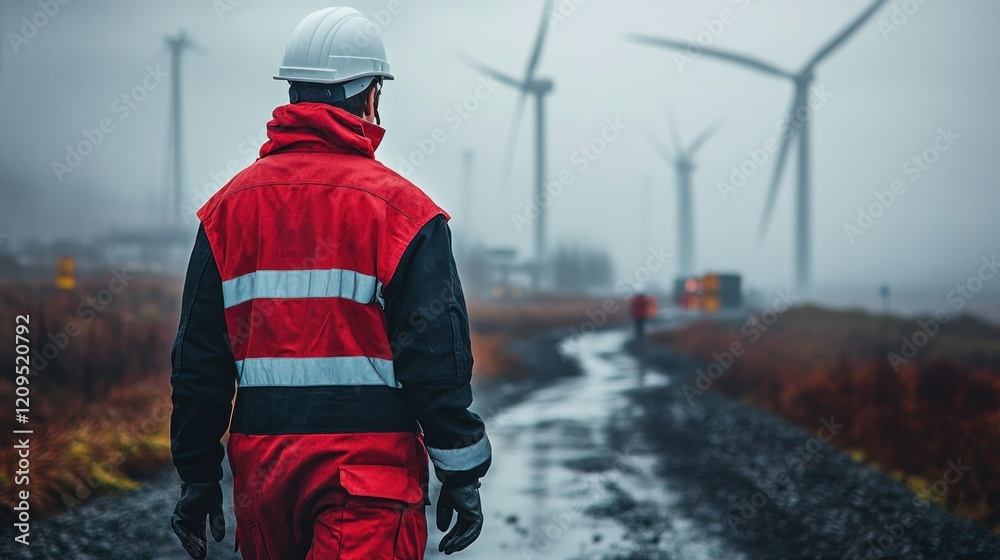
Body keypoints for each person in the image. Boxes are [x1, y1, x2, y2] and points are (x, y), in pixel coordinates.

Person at [168, 8, 491, 559]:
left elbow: (199, 362)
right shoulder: (407, 214)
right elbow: (435, 357)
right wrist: (461, 469)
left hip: (264, 478)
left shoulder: (225, 211)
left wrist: (197, 473)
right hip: (368, 476)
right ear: (368, 97)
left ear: (293, 95)